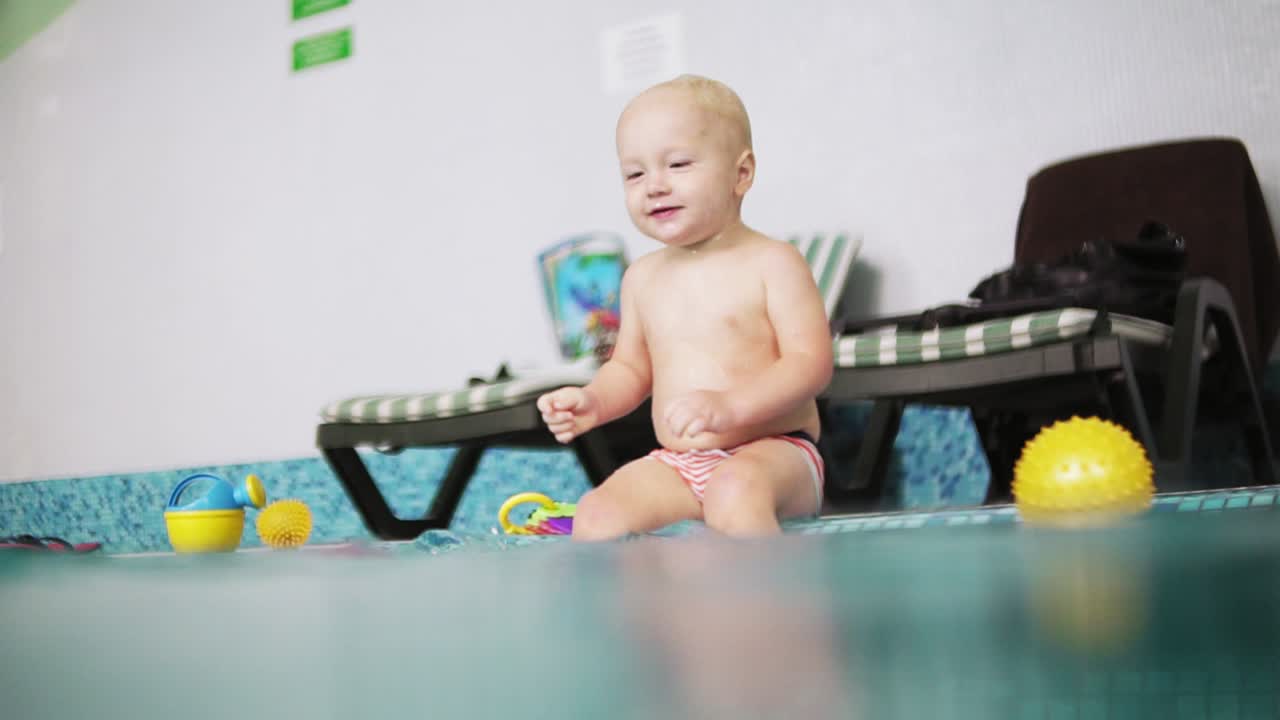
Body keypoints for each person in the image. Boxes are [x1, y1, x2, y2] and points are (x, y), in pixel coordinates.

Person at [537, 74, 833, 539]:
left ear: (741, 174)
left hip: (775, 454)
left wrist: (732, 407)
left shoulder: (772, 262)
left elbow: (811, 364)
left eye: (677, 164)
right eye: (635, 174)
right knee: (597, 514)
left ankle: (776, 608)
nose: (654, 186)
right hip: (680, 463)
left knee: (733, 494)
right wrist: (593, 401)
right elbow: (632, 370)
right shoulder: (642, 278)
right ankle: (658, 610)